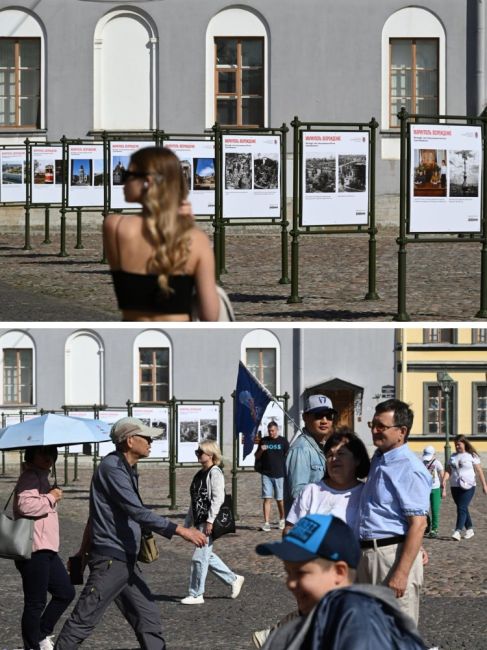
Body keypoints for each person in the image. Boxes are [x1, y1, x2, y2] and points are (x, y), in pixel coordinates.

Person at [54, 417, 206, 649]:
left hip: (126, 560)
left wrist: (83, 552)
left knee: (148, 618)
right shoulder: (112, 468)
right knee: (83, 619)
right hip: (111, 561)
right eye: (145, 437)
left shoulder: (127, 469)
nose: (150, 442)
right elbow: (137, 511)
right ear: (129, 440)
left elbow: (96, 515)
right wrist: (182, 531)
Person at [255, 514, 427, 650]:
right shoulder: (320, 618)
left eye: (301, 573)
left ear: (339, 572)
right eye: (288, 572)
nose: (290, 583)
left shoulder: (360, 628)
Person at [103, 146, 220, 321]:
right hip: (179, 342)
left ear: (147, 182)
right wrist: (187, 223)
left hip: (132, 340)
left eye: (129, 176)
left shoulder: (115, 227)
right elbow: (210, 315)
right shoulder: (197, 240)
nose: (123, 182)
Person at [357, 399, 431, 625]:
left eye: (381, 426)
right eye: (373, 425)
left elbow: (419, 523)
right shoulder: (380, 458)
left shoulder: (408, 467)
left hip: (390, 558)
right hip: (369, 555)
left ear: (402, 432)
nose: (375, 431)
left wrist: (401, 573)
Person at [13, 446, 75, 650]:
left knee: (65, 592)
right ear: (32, 455)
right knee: (35, 602)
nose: (49, 457)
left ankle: (40, 634)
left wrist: (50, 494)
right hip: (33, 549)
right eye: (43, 453)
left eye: (52, 453)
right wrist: (51, 497)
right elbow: (24, 505)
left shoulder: (41, 477)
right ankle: (32, 645)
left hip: (46, 548)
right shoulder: (30, 476)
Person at [180, 440, 244, 604]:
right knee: (206, 555)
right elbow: (194, 501)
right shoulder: (200, 473)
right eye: (197, 452)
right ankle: (233, 579)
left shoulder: (215, 472)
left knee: (199, 557)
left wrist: (210, 520)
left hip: (208, 521)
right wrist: (186, 524)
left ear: (210, 454)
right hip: (199, 520)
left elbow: (218, 498)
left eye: (200, 452)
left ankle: (196, 594)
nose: (198, 455)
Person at [285, 431, 370, 536]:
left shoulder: (367, 493)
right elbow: (290, 527)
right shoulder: (311, 491)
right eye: (330, 455)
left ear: (357, 460)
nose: (334, 459)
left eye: (340, 453)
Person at [284, 394, 336, 513]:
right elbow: (299, 494)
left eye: (329, 416)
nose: (324, 421)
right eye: (318, 415)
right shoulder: (301, 449)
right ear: (305, 417)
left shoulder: (322, 446)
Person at [442, 435, 487, 540]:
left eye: (459, 444)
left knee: (461, 508)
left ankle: (457, 531)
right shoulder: (452, 456)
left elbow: (480, 471)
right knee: (462, 507)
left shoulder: (472, 455)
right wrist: (444, 480)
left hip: (469, 486)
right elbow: (448, 470)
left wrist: (484, 485)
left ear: (464, 444)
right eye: (456, 445)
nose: (457, 446)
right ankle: (470, 529)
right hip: (455, 486)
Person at [254, 421, 289, 531]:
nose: (271, 433)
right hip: (266, 474)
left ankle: (282, 519)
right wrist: (261, 450)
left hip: (280, 474)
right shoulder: (264, 441)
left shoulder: (283, 441)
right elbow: (256, 456)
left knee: (280, 499)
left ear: (277, 430)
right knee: (267, 498)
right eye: (269, 431)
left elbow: (288, 456)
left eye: (273, 431)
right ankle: (266, 523)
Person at [421, 445, 444, 538]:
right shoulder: (422, 462)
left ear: (434, 455)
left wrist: (444, 488)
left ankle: (435, 529)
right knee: (423, 510)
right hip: (424, 489)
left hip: (435, 488)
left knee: (435, 509)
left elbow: (442, 474)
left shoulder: (437, 463)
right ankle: (427, 525)